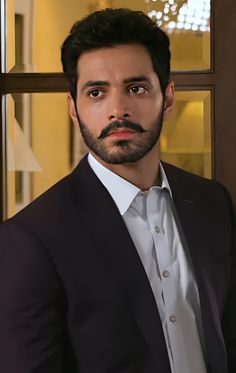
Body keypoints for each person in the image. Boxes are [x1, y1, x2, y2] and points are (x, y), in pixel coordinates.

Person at [0, 7, 235, 373]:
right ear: (74, 109)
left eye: (136, 88)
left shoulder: (212, 202)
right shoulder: (32, 239)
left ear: (168, 98)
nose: (117, 110)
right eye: (96, 92)